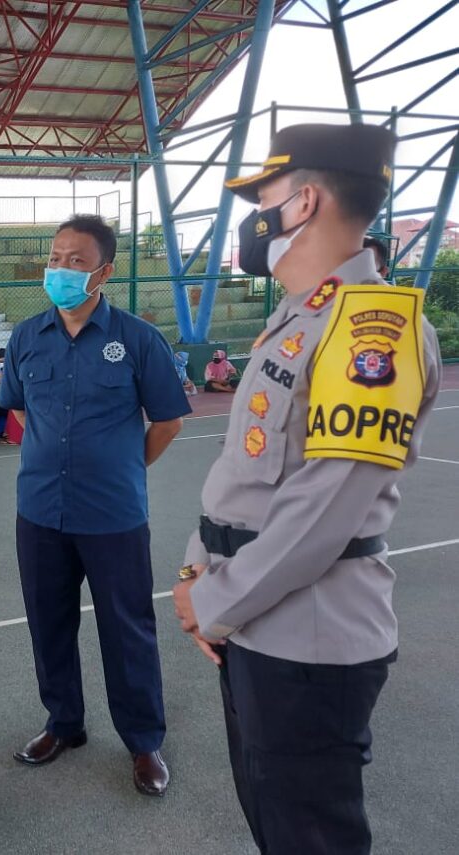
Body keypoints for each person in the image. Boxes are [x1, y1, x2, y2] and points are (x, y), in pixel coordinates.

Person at [173, 122, 442, 854]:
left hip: (308, 641)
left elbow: (324, 511)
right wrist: (199, 570)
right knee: (276, 824)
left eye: (263, 200)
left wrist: (215, 603)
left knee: (310, 837)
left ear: (305, 202)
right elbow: (243, 469)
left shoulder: (371, 331)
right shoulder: (299, 316)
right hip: (258, 625)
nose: (254, 221)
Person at [0, 214, 190, 797]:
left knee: (128, 630)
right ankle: (64, 725)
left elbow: (169, 421)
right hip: (40, 513)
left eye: (75, 260)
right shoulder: (27, 337)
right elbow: (22, 412)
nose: (60, 268)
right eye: (55, 257)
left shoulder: (136, 339)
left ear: (104, 271)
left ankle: (143, 741)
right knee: (48, 624)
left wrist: (121, 466)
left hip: (113, 517)